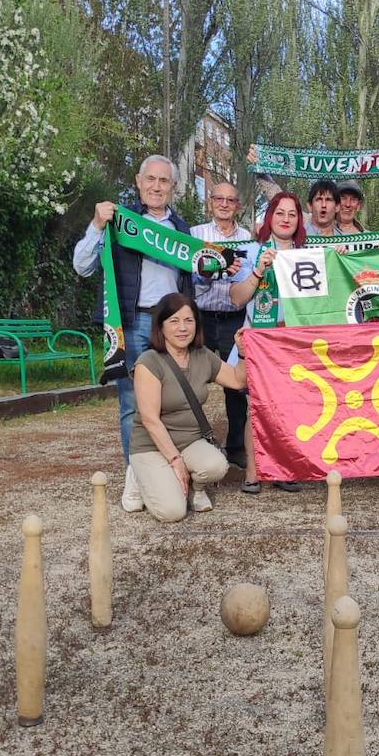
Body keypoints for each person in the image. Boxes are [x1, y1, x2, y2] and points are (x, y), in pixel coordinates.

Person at [72, 154, 192, 480]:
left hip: (171, 327)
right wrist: (96, 224)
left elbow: (197, 278)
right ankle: (135, 478)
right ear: (138, 183)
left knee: (173, 402)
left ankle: (172, 472)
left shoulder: (184, 232)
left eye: (164, 180)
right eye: (150, 179)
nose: (156, 186)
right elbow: (82, 267)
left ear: (173, 187)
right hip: (132, 321)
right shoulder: (116, 222)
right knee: (131, 403)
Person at [128, 293, 248, 522]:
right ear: (160, 327)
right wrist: (175, 461)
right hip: (151, 445)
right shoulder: (149, 361)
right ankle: (138, 475)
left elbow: (237, 380)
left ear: (197, 324)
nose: (182, 328)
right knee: (172, 512)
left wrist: (241, 352)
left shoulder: (202, 356)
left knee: (216, 466)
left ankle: (196, 487)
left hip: (190, 440)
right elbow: (150, 419)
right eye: (174, 321)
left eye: (189, 320)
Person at [227, 192, 307, 494]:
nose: (286, 219)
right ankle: (253, 471)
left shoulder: (307, 254)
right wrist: (259, 270)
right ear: (269, 217)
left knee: (288, 409)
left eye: (292, 214)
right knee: (255, 409)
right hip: (259, 341)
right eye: (280, 213)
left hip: (292, 343)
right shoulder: (251, 251)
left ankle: (283, 468)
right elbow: (236, 299)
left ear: (299, 220)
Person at [190, 181, 250, 468]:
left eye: (230, 200)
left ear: (237, 205)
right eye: (219, 199)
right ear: (210, 202)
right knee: (190, 378)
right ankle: (193, 443)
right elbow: (187, 275)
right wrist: (214, 271)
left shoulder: (248, 239)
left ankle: (236, 445)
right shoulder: (195, 235)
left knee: (237, 385)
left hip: (233, 318)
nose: (224, 204)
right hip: (200, 316)